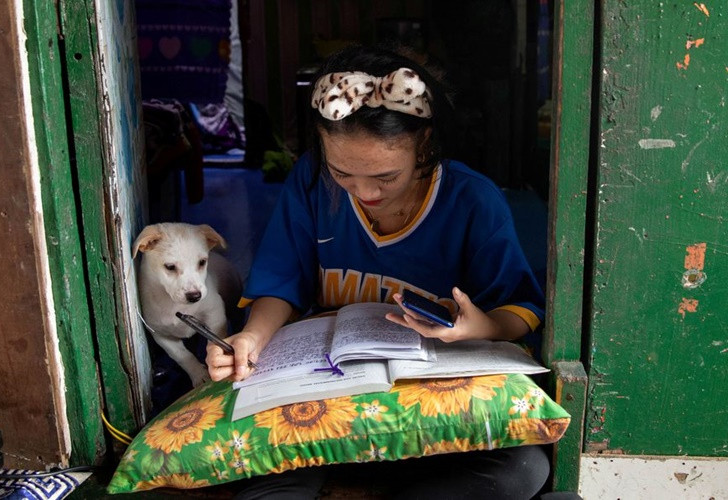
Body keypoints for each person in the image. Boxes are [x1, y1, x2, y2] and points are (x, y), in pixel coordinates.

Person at [206, 44, 548, 499]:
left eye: (385, 177)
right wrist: (251, 338)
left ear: (424, 144)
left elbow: (516, 308)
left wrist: (476, 325)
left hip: (428, 404)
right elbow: (281, 284)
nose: (364, 192)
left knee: (520, 468)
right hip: (326, 396)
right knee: (259, 463)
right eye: (343, 172)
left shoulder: (473, 201)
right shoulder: (311, 180)